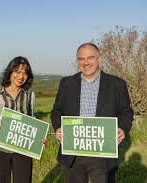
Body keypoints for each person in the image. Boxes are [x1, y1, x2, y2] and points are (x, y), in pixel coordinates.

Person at [51, 43, 134, 183]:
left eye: (90, 58)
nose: (86, 63)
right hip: (73, 152)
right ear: (77, 62)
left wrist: (122, 129)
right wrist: (58, 127)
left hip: (103, 153)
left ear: (98, 60)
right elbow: (56, 111)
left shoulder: (117, 84)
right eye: (81, 59)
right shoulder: (66, 83)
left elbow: (126, 112)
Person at [0, 56, 35, 183]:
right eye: (17, 72)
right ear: (10, 72)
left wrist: (38, 137)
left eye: (25, 73)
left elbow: (32, 121)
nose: (21, 76)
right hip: (1, 149)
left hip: (23, 150)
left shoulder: (30, 96)